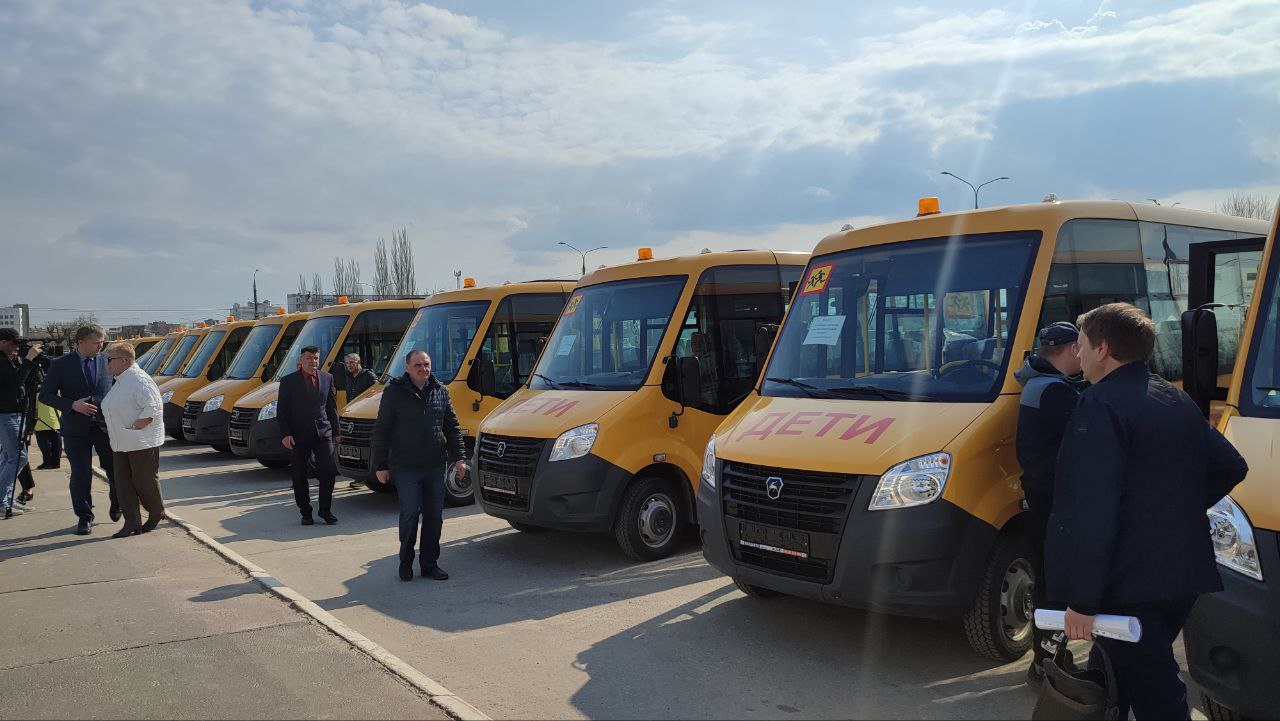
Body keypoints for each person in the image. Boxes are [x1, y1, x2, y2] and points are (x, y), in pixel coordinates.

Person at [1047, 303, 1249, 720]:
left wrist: (1081, 602)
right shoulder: (1173, 397)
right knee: (1117, 678)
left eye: (1082, 345)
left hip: (1128, 583)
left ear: (1103, 349)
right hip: (1178, 574)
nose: (1078, 354)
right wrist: (1172, 510)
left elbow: (1091, 509)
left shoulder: (1098, 405)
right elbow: (1231, 465)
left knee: (1155, 692)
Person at [1013, 321, 1084, 685]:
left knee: (1048, 577)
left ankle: (1046, 658)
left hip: (1040, 494)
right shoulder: (1057, 392)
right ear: (1072, 349)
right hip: (1055, 499)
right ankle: (1048, 661)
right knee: (1056, 582)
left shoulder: (1037, 384)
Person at [372, 350, 468, 582]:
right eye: (417, 365)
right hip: (405, 467)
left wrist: (460, 458)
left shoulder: (440, 391)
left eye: (426, 364)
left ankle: (429, 564)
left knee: (434, 516)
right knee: (410, 514)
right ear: (407, 367)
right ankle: (406, 562)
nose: (423, 369)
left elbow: (452, 427)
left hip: (435, 466)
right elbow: (382, 429)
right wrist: (380, 465)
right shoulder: (394, 392)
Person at [39, 325, 119, 534]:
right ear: (80, 342)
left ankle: (118, 502)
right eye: (96, 342)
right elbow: (45, 395)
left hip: (104, 426)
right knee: (81, 473)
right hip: (75, 427)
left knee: (115, 468)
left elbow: (118, 386)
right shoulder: (61, 365)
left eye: (102, 342)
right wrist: (72, 405)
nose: (101, 346)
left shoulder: (106, 361)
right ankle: (85, 515)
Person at [100, 342, 167, 538]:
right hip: (121, 441)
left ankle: (156, 512)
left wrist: (136, 427)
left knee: (143, 480)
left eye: (109, 360)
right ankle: (132, 523)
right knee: (123, 483)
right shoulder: (121, 380)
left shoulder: (139, 380)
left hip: (140, 441)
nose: (107, 364)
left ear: (123, 361)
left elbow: (153, 408)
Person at [277, 345, 340, 526]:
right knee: (299, 474)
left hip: (323, 432)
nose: (313, 361)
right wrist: (285, 434)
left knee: (328, 471)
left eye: (316, 358)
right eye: (309, 358)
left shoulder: (327, 378)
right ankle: (305, 511)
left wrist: (336, 432)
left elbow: (331, 407)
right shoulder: (288, 381)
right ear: (301, 360)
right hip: (298, 435)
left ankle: (325, 510)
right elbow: (282, 411)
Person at [0, 327, 43, 519]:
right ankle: (2, 500)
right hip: (6, 415)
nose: (18, 347)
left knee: (8, 457)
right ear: (2, 343)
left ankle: (5, 501)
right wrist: (28, 360)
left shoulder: (9, 359)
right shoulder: (1, 361)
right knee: (18, 457)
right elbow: (17, 381)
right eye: (14, 344)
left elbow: (26, 381)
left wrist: (26, 361)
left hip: (14, 414)